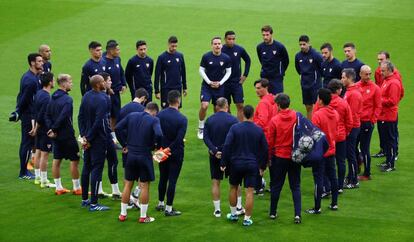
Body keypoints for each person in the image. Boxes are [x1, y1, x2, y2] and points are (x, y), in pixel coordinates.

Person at [115, 102, 162, 223]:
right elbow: (159, 134)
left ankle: (123, 214)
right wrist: (156, 146)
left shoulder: (132, 116)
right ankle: (143, 216)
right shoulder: (154, 120)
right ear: (154, 112)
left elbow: (117, 128)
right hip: (144, 155)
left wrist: (124, 144)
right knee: (144, 185)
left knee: (128, 184)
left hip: (130, 155)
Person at [222, 105, 268, 226]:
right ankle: (247, 219)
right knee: (249, 192)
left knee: (233, 187)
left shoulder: (235, 128)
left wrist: (223, 162)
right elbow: (265, 149)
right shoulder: (258, 130)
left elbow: (227, 145)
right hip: (252, 164)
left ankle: (233, 214)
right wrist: (262, 167)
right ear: (253, 115)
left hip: (236, 163)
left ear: (242, 114)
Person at [78, 75, 111, 211]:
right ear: (98, 84)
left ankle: (85, 199)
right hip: (98, 139)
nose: (105, 83)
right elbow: (99, 121)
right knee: (97, 169)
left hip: (87, 136)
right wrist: (90, 138)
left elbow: (80, 116)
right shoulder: (104, 99)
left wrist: (83, 136)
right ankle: (94, 203)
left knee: (86, 168)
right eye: (103, 81)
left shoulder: (86, 96)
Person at [267, 94, 302, 224]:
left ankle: (272, 212)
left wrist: (269, 158)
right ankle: (297, 214)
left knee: (276, 186)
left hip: (280, 157)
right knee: (295, 186)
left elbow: (270, 142)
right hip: (294, 156)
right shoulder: (296, 116)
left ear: (278, 105)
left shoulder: (274, 120)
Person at [45, 74, 81, 195]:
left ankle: (58, 187)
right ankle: (77, 188)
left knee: (57, 160)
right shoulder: (67, 99)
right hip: (67, 134)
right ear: (64, 84)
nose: (72, 84)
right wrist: (54, 128)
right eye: (70, 81)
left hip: (56, 136)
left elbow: (47, 115)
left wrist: (52, 129)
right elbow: (64, 116)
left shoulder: (52, 97)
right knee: (75, 159)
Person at [203, 97, 239, 217]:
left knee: (215, 182)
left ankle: (217, 210)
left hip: (214, 155)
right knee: (235, 183)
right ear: (227, 106)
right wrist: (224, 151)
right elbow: (234, 139)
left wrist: (214, 150)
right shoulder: (233, 120)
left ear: (217, 107)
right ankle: (237, 207)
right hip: (230, 155)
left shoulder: (209, 120)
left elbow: (205, 138)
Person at [315, 79, 352, 194]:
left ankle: (327, 188)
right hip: (340, 137)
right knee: (340, 162)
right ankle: (339, 186)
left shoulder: (321, 102)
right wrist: (345, 133)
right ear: (337, 90)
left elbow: (315, 122)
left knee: (325, 165)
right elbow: (349, 121)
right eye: (341, 88)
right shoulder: (343, 102)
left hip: (325, 139)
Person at [10, 53, 43, 179]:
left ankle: (24, 171)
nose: (42, 63)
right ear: (32, 63)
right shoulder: (30, 80)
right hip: (29, 116)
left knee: (28, 142)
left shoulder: (33, 76)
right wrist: (18, 112)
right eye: (39, 61)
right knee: (27, 143)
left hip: (31, 114)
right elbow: (23, 99)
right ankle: (23, 172)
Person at [307, 88, 339, 214]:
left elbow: (314, 136)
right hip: (331, 150)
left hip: (320, 153)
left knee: (318, 180)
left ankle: (317, 207)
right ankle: (334, 204)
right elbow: (336, 131)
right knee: (333, 177)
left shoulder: (318, 115)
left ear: (320, 100)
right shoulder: (335, 114)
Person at [156, 90, 188, 216]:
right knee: (172, 180)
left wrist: (161, 149)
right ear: (178, 101)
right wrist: (169, 149)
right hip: (175, 152)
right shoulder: (182, 119)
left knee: (163, 178)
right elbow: (179, 138)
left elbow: (157, 134)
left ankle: (160, 203)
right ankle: (169, 208)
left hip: (161, 151)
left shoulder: (160, 115)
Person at [197, 37, 232, 139]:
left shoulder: (226, 58)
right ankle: (201, 127)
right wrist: (209, 82)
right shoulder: (206, 56)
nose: (217, 45)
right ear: (211, 45)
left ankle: (215, 128)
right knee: (204, 105)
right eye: (215, 44)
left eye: (219, 44)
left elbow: (229, 72)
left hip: (219, 87)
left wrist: (220, 83)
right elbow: (201, 70)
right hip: (207, 86)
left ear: (221, 45)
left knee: (217, 109)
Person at [372, 51, 403, 159]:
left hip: (389, 109)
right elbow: (377, 86)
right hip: (381, 107)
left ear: (388, 60)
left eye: (382, 59)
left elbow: (400, 93)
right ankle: (384, 150)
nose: (380, 62)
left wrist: (390, 103)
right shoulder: (378, 71)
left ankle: (394, 153)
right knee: (382, 130)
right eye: (378, 60)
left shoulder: (395, 76)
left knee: (392, 132)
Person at [96, 72, 121, 198]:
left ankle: (103, 190)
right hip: (103, 136)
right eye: (109, 80)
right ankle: (112, 190)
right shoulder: (103, 98)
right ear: (103, 82)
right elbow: (103, 119)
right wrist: (110, 135)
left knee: (102, 162)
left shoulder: (98, 95)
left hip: (99, 135)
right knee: (111, 161)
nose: (111, 82)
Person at [355, 65, 381, 180]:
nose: (369, 76)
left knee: (365, 148)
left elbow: (378, 106)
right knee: (353, 147)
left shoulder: (375, 88)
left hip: (366, 123)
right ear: (360, 74)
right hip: (356, 123)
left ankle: (367, 173)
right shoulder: (355, 87)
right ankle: (358, 163)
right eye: (366, 74)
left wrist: (372, 121)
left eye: (370, 74)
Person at [377, 61, 402, 172]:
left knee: (390, 140)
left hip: (389, 116)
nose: (381, 73)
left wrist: (379, 100)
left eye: (383, 70)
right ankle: (388, 161)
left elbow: (393, 100)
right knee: (386, 140)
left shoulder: (393, 83)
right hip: (383, 115)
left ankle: (391, 164)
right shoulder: (387, 81)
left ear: (389, 70)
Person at [221, 30, 251, 121]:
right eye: (229, 39)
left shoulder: (239, 49)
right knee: (226, 106)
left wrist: (245, 75)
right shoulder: (221, 49)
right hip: (224, 83)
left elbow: (248, 60)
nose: (231, 41)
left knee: (240, 105)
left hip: (236, 82)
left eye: (233, 39)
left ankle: (240, 126)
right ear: (225, 39)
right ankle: (229, 125)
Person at [33, 72, 55, 188]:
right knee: (44, 154)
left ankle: (37, 177)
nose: (54, 82)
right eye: (53, 80)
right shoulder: (47, 97)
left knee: (38, 151)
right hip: (44, 129)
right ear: (50, 82)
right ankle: (44, 180)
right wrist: (38, 127)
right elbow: (42, 115)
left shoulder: (39, 93)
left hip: (39, 127)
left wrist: (35, 126)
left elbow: (35, 112)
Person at [253, 78, 275, 195]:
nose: (257, 91)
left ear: (266, 88)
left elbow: (262, 121)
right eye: (256, 88)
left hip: (264, 137)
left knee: (259, 163)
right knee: (270, 161)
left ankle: (258, 187)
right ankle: (273, 185)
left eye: (259, 88)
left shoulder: (263, 103)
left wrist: (251, 125)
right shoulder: (272, 98)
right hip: (273, 136)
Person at [341, 68, 363, 189]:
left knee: (351, 154)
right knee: (351, 152)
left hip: (352, 128)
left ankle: (354, 180)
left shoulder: (353, 94)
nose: (342, 79)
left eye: (343, 77)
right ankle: (350, 176)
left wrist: (348, 130)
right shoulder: (350, 91)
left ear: (349, 78)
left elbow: (352, 114)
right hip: (352, 127)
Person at [294, 35, 323, 119]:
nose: (302, 46)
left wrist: (316, 78)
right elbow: (298, 69)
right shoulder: (298, 56)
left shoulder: (316, 55)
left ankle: (318, 124)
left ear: (308, 43)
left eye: (304, 44)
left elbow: (322, 68)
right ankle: (310, 125)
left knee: (318, 106)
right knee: (308, 107)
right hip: (304, 85)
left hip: (315, 85)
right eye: (300, 44)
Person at [154, 36, 187, 109]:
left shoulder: (180, 56)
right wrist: (157, 91)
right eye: (172, 46)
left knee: (177, 108)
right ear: (168, 44)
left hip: (177, 87)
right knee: (165, 108)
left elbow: (183, 72)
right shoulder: (162, 57)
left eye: (176, 46)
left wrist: (184, 87)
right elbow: (157, 75)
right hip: (166, 88)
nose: (174, 48)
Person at [102, 40, 127, 133]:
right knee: (107, 114)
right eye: (117, 50)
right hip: (107, 93)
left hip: (116, 92)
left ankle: (113, 136)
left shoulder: (117, 59)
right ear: (111, 51)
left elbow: (121, 72)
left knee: (116, 114)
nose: (119, 51)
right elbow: (102, 77)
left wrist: (123, 84)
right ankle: (108, 134)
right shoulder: (103, 62)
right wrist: (108, 88)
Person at [256, 25, 289, 94]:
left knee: (278, 99)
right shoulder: (259, 47)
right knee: (265, 98)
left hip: (276, 78)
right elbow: (261, 60)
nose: (265, 37)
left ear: (271, 34)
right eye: (263, 35)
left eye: (267, 35)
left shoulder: (280, 47)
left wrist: (281, 72)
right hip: (265, 77)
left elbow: (286, 61)